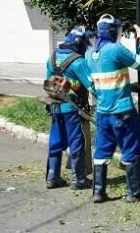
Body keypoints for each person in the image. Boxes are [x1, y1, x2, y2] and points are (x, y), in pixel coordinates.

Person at [86, 14, 140, 203]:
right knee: (130, 149)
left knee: (101, 152)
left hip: (103, 113)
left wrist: (127, 87)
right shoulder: (115, 49)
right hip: (123, 112)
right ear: (113, 31)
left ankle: (98, 192)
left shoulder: (90, 54)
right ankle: (133, 193)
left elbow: (97, 85)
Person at [44, 26, 95, 190]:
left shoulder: (52, 58)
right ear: (80, 43)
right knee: (76, 142)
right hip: (72, 108)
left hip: (55, 106)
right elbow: (92, 86)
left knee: (55, 141)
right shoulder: (78, 62)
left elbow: (48, 82)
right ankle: (78, 179)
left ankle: (52, 177)